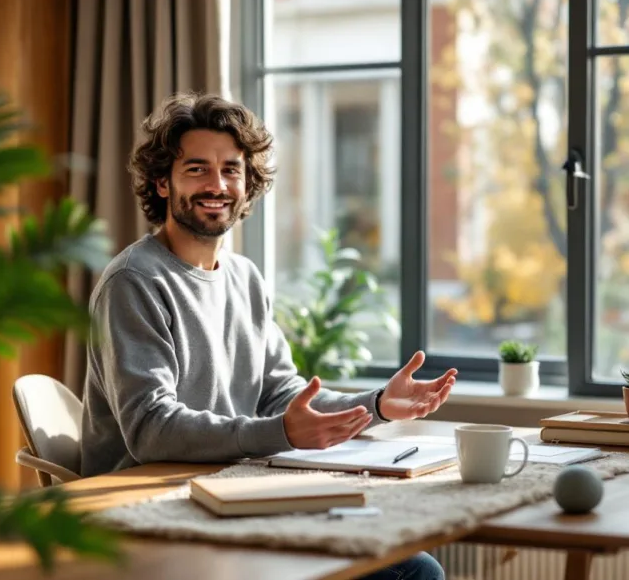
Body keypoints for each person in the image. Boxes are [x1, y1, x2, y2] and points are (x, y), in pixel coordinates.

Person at [80, 92, 455, 580]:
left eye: (231, 170)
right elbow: (150, 429)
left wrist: (378, 403)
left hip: (232, 492)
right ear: (162, 183)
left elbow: (282, 394)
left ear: (247, 184)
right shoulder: (134, 281)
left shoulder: (244, 277)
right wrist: (277, 432)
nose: (217, 184)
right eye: (196, 169)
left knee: (413, 568)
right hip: (150, 510)